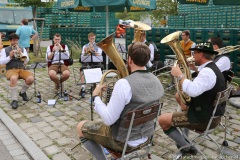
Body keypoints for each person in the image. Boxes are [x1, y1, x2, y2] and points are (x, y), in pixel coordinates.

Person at [76, 42, 164, 159]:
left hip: (123, 141)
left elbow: (108, 119)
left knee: (80, 127)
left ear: (130, 59)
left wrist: (96, 97)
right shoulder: (156, 80)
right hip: (146, 137)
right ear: (147, 59)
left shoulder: (124, 84)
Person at [158, 42, 226, 155]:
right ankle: (184, 137)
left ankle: (186, 148)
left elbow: (193, 91)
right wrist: (195, 70)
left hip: (204, 119)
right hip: (211, 113)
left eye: (195, 53)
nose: (193, 55)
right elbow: (205, 84)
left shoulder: (207, 72)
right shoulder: (211, 68)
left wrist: (180, 75)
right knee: (178, 96)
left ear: (201, 54)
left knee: (162, 120)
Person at [0, 33, 34, 109]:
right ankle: (14, 100)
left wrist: (21, 53)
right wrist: (10, 56)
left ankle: (22, 92)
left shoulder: (22, 49)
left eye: (16, 41)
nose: (15, 42)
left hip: (21, 69)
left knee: (31, 78)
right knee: (13, 79)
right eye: (13, 41)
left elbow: (27, 59)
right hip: (11, 69)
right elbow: (1, 62)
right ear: (10, 41)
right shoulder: (4, 50)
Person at [79, 32, 102, 97]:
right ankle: (83, 88)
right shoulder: (85, 46)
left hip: (96, 62)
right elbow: (82, 57)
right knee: (82, 69)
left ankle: (97, 86)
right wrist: (86, 52)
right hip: (87, 62)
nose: (92, 40)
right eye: (91, 39)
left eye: (93, 39)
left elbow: (99, 55)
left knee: (98, 68)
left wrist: (94, 51)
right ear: (88, 38)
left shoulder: (98, 46)